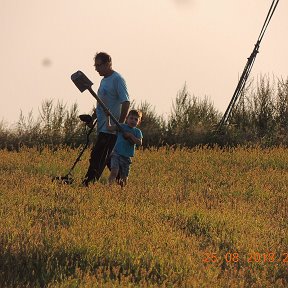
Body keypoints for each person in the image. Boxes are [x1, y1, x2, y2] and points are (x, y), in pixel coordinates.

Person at [82, 52, 130, 187]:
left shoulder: (117, 79)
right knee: (108, 158)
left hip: (111, 129)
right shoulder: (104, 80)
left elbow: (126, 102)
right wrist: (92, 118)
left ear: (108, 64)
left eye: (99, 65)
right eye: (95, 65)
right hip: (102, 126)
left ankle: (88, 184)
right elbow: (101, 103)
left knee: (98, 156)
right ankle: (122, 183)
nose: (96, 68)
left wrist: (120, 125)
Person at [106, 109, 143, 187]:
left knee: (124, 178)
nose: (133, 121)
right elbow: (109, 128)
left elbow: (139, 143)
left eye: (136, 119)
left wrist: (130, 135)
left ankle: (123, 193)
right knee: (114, 172)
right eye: (131, 118)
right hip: (116, 154)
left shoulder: (137, 132)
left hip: (126, 157)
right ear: (127, 118)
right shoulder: (121, 126)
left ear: (138, 122)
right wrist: (108, 116)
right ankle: (108, 187)